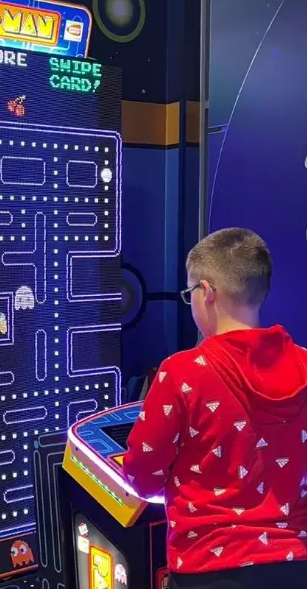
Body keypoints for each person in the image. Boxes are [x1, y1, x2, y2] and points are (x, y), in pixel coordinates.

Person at [122, 228, 307, 588]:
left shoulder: (181, 372)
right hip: (296, 564)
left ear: (206, 291)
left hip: (207, 564)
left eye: (189, 292)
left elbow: (141, 474)